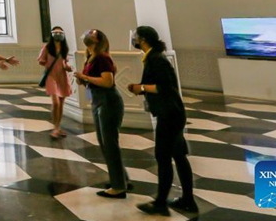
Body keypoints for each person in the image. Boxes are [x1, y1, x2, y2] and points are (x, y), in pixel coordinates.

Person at [128, 26, 198, 216]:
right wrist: (142, 89)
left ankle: (160, 203)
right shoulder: (154, 57)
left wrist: (140, 87)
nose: (133, 40)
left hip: (169, 115)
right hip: (173, 113)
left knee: (163, 157)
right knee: (178, 156)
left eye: (135, 37)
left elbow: (164, 87)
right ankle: (188, 200)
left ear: (142, 39)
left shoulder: (156, 59)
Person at [74, 29, 130, 199]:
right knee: (104, 142)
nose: (87, 34)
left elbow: (107, 82)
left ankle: (119, 187)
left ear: (98, 40)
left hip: (108, 102)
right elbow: (92, 81)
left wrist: (86, 77)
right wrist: (82, 79)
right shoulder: (90, 57)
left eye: (92, 33)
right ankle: (121, 179)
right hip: (98, 100)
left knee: (109, 143)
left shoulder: (102, 57)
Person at [37, 26, 74, 138]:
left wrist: (67, 67)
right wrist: (48, 65)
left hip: (62, 76)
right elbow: (41, 61)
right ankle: (55, 128)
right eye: (55, 32)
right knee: (56, 102)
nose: (58, 35)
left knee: (61, 104)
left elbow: (64, 63)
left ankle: (58, 127)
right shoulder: (47, 48)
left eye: (60, 32)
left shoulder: (64, 48)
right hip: (51, 76)